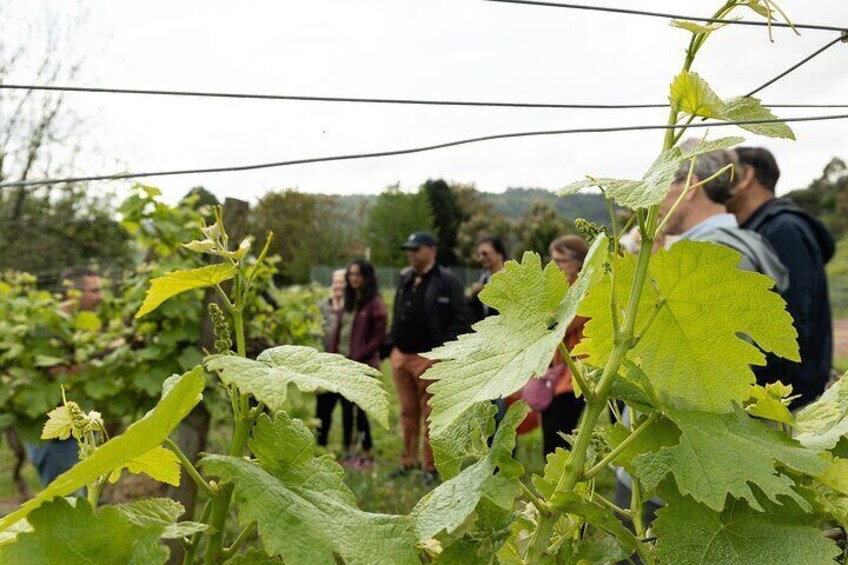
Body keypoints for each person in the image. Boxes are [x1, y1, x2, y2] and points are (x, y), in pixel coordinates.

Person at [726, 146, 835, 407]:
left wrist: (764, 390)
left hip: (784, 400)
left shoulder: (783, 229)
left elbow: (793, 317)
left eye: (724, 172)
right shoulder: (759, 229)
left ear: (746, 175)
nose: (714, 183)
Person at [387, 231, 469, 485]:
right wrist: (392, 345)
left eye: (416, 249)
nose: (412, 254)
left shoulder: (447, 281)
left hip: (429, 357)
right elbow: (398, 311)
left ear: (432, 250)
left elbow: (461, 317)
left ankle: (430, 467)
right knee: (407, 412)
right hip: (402, 355)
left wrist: (442, 351)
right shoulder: (406, 279)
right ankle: (408, 460)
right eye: (409, 250)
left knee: (431, 414)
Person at [26, 267, 105, 487]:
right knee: (63, 499)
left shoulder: (89, 323)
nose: (102, 297)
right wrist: (106, 360)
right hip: (55, 436)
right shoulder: (49, 326)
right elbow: (58, 374)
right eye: (95, 290)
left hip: (81, 426)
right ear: (73, 293)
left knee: (84, 494)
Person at [327, 260, 387, 470]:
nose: (353, 279)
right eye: (350, 275)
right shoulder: (350, 301)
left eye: (357, 275)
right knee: (345, 410)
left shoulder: (374, 303)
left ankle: (368, 455)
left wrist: (357, 357)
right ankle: (349, 452)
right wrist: (334, 357)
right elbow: (339, 331)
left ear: (367, 277)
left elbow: (378, 338)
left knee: (361, 412)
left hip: (362, 366)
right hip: (343, 365)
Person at [538, 235, 589, 455]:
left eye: (560, 261)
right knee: (549, 436)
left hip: (575, 375)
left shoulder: (586, 290)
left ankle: (564, 487)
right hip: (555, 372)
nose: (554, 266)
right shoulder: (560, 290)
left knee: (557, 437)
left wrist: (543, 316)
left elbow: (560, 325)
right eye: (552, 260)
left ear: (579, 262)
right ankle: (555, 486)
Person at [315, 269, 347, 450]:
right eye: (336, 281)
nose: (338, 285)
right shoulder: (322, 307)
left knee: (348, 410)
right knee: (322, 410)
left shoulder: (351, 308)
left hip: (345, 365)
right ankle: (320, 446)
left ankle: (349, 448)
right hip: (324, 367)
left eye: (342, 282)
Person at [468, 236, 508, 324]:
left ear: (499, 254)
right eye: (478, 255)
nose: (481, 258)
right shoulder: (483, 278)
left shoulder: (510, 277)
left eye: (485, 253)